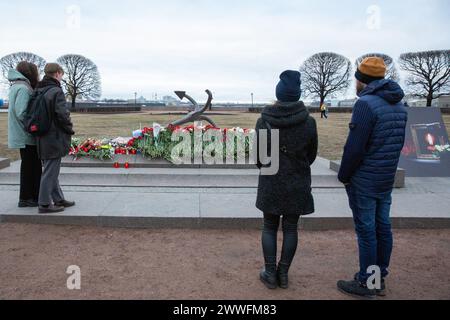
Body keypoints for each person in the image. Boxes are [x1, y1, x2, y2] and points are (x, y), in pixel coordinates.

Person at [337, 57, 408, 298]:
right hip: (385, 177)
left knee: (367, 230)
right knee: (382, 228)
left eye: (357, 77)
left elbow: (355, 148)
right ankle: (379, 278)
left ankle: (368, 281)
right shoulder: (399, 104)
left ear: (362, 80)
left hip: (365, 178)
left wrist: (344, 175)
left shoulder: (366, 104)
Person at [255, 70, 318, 289]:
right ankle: (283, 273)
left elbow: (260, 159)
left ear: (278, 94)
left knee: (269, 226)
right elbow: (311, 156)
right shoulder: (309, 122)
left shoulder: (264, 121)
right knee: (291, 228)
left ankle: (270, 273)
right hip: (297, 180)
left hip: (271, 180)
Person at [36, 63, 75, 214]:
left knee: (51, 169)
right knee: (51, 170)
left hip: (42, 134)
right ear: (58, 73)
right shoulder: (55, 91)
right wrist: (69, 129)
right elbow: (62, 114)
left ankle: (58, 199)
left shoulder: (39, 89)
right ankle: (44, 203)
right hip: (54, 136)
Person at [7, 61, 42, 207]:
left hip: (21, 134)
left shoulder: (17, 85)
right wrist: (33, 127)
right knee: (30, 167)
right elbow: (22, 113)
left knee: (29, 166)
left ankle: (30, 196)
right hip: (25, 135)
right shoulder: (23, 88)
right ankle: (27, 198)